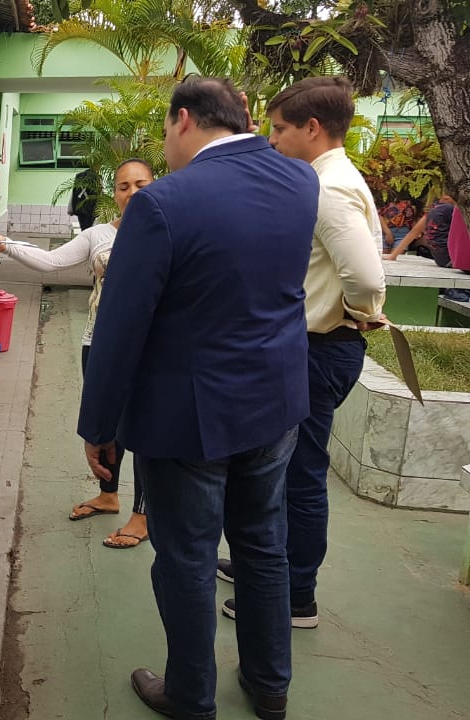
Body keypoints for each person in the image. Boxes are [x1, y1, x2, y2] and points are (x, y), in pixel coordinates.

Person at [78, 77, 319, 720]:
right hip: (274, 406)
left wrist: (100, 425)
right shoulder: (300, 181)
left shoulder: (162, 205)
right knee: (263, 546)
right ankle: (270, 685)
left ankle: (190, 695)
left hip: (189, 418)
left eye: (165, 131)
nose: (166, 145)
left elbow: (120, 328)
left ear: (183, 120)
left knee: (186, 556)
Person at [215, 77, 387, 637]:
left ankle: (295, 596)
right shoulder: (326, 178)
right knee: (284, 470)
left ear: (313, 128)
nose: (273, 139)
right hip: (312, 347)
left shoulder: (329, 188)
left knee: (300, 476)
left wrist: (359, 311)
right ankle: (265, 569)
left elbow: (367, 277)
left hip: (320, 349)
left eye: (280, 129)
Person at [0, 158, 156, 549]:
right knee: (104, 423)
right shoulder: (99, 235)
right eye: (124, 186)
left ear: (156, 186)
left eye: (141, 185)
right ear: (114, 193)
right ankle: (108, 495)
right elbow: (52, 261)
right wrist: (6, 244)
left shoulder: (168, 232)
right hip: (98, 341)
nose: (132, 193)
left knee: (143, 428)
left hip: (146, 349)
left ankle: (142, 515)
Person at [385, 191, 456, 266]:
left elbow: (414, 232)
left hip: (441, 259)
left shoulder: (432, 210)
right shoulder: (451, 209)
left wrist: (393, 256)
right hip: (452, 257)